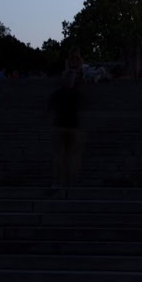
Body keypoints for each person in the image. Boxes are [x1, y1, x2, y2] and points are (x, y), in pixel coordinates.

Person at [47, 52, 84, 192]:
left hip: (70, 126)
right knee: (63, 156)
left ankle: (67, 181)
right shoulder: (62, 93)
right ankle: (62, 181)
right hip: (64, 126)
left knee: (68, 157)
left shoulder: (72, 92)